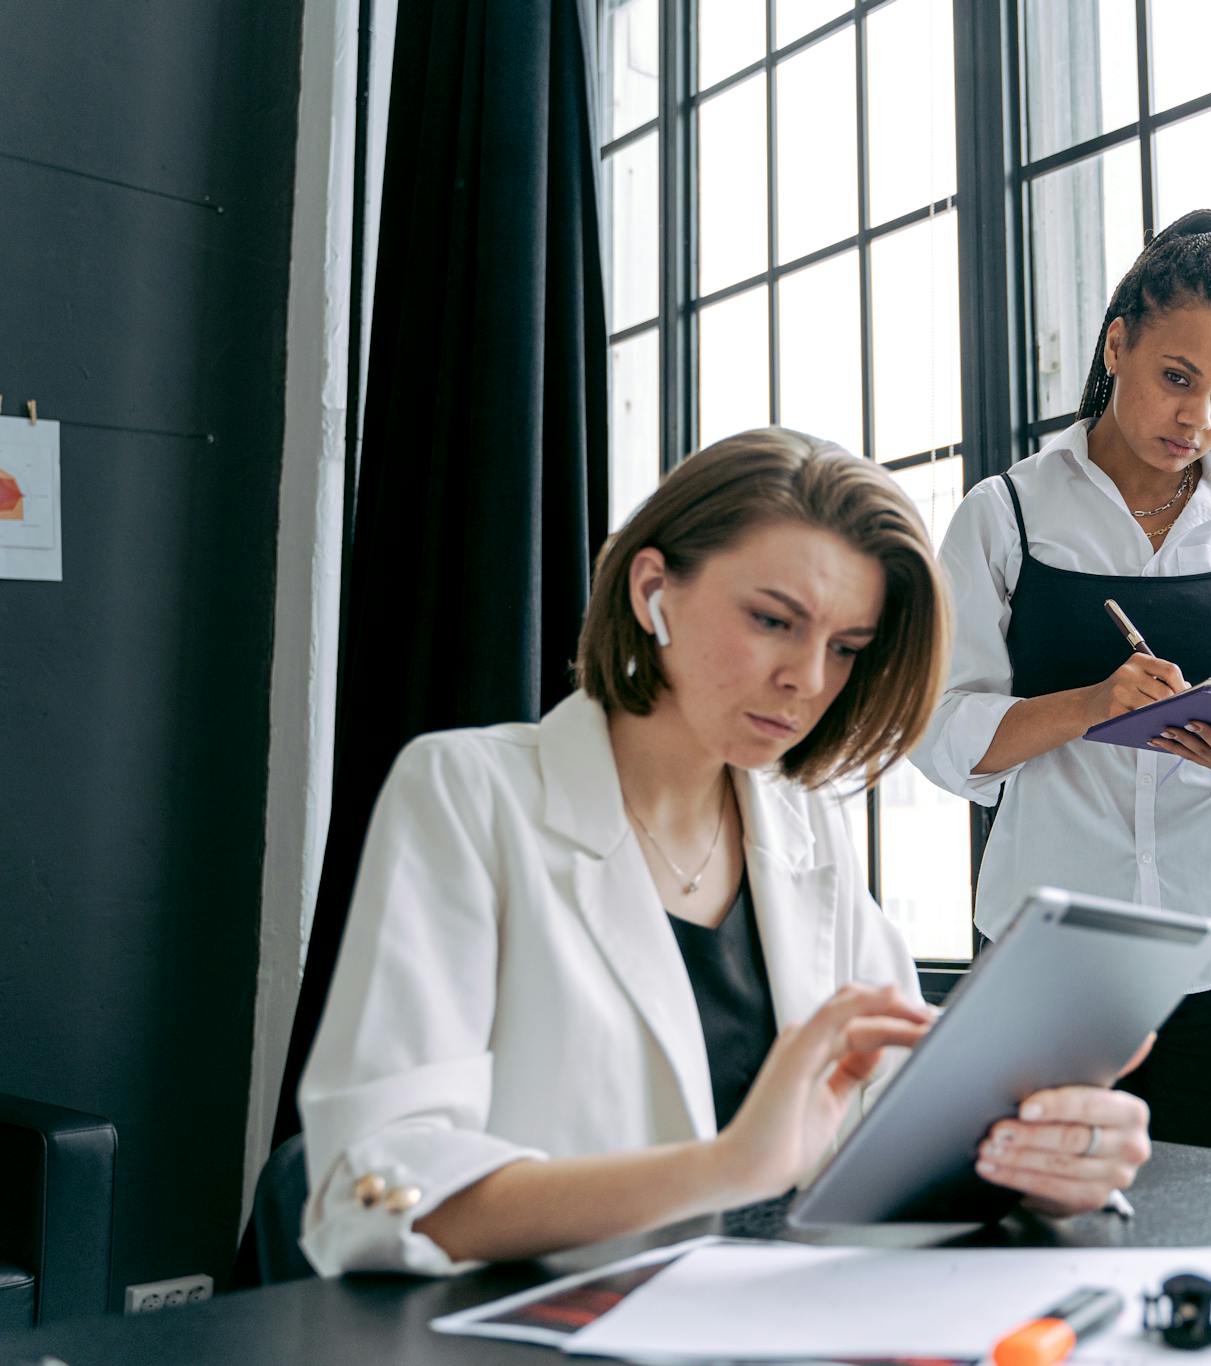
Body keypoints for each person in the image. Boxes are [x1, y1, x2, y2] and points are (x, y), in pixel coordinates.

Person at [298, 428, 1152, 1276]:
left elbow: (886, 1125)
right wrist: (730, 1167)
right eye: (773, 620)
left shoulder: (805, 825)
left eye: (847, 649)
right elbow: (376, 1187)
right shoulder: (466, 794)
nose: (809, 680)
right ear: (652, 591)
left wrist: (1037, 1159)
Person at [911, 210, 1211, 1159]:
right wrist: (1093, 705)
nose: (1199, 419)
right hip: (1041, 970)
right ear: (1116, 345)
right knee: (1019, 1256)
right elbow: (939, 738)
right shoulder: (1005, 515)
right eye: (1177, 379)